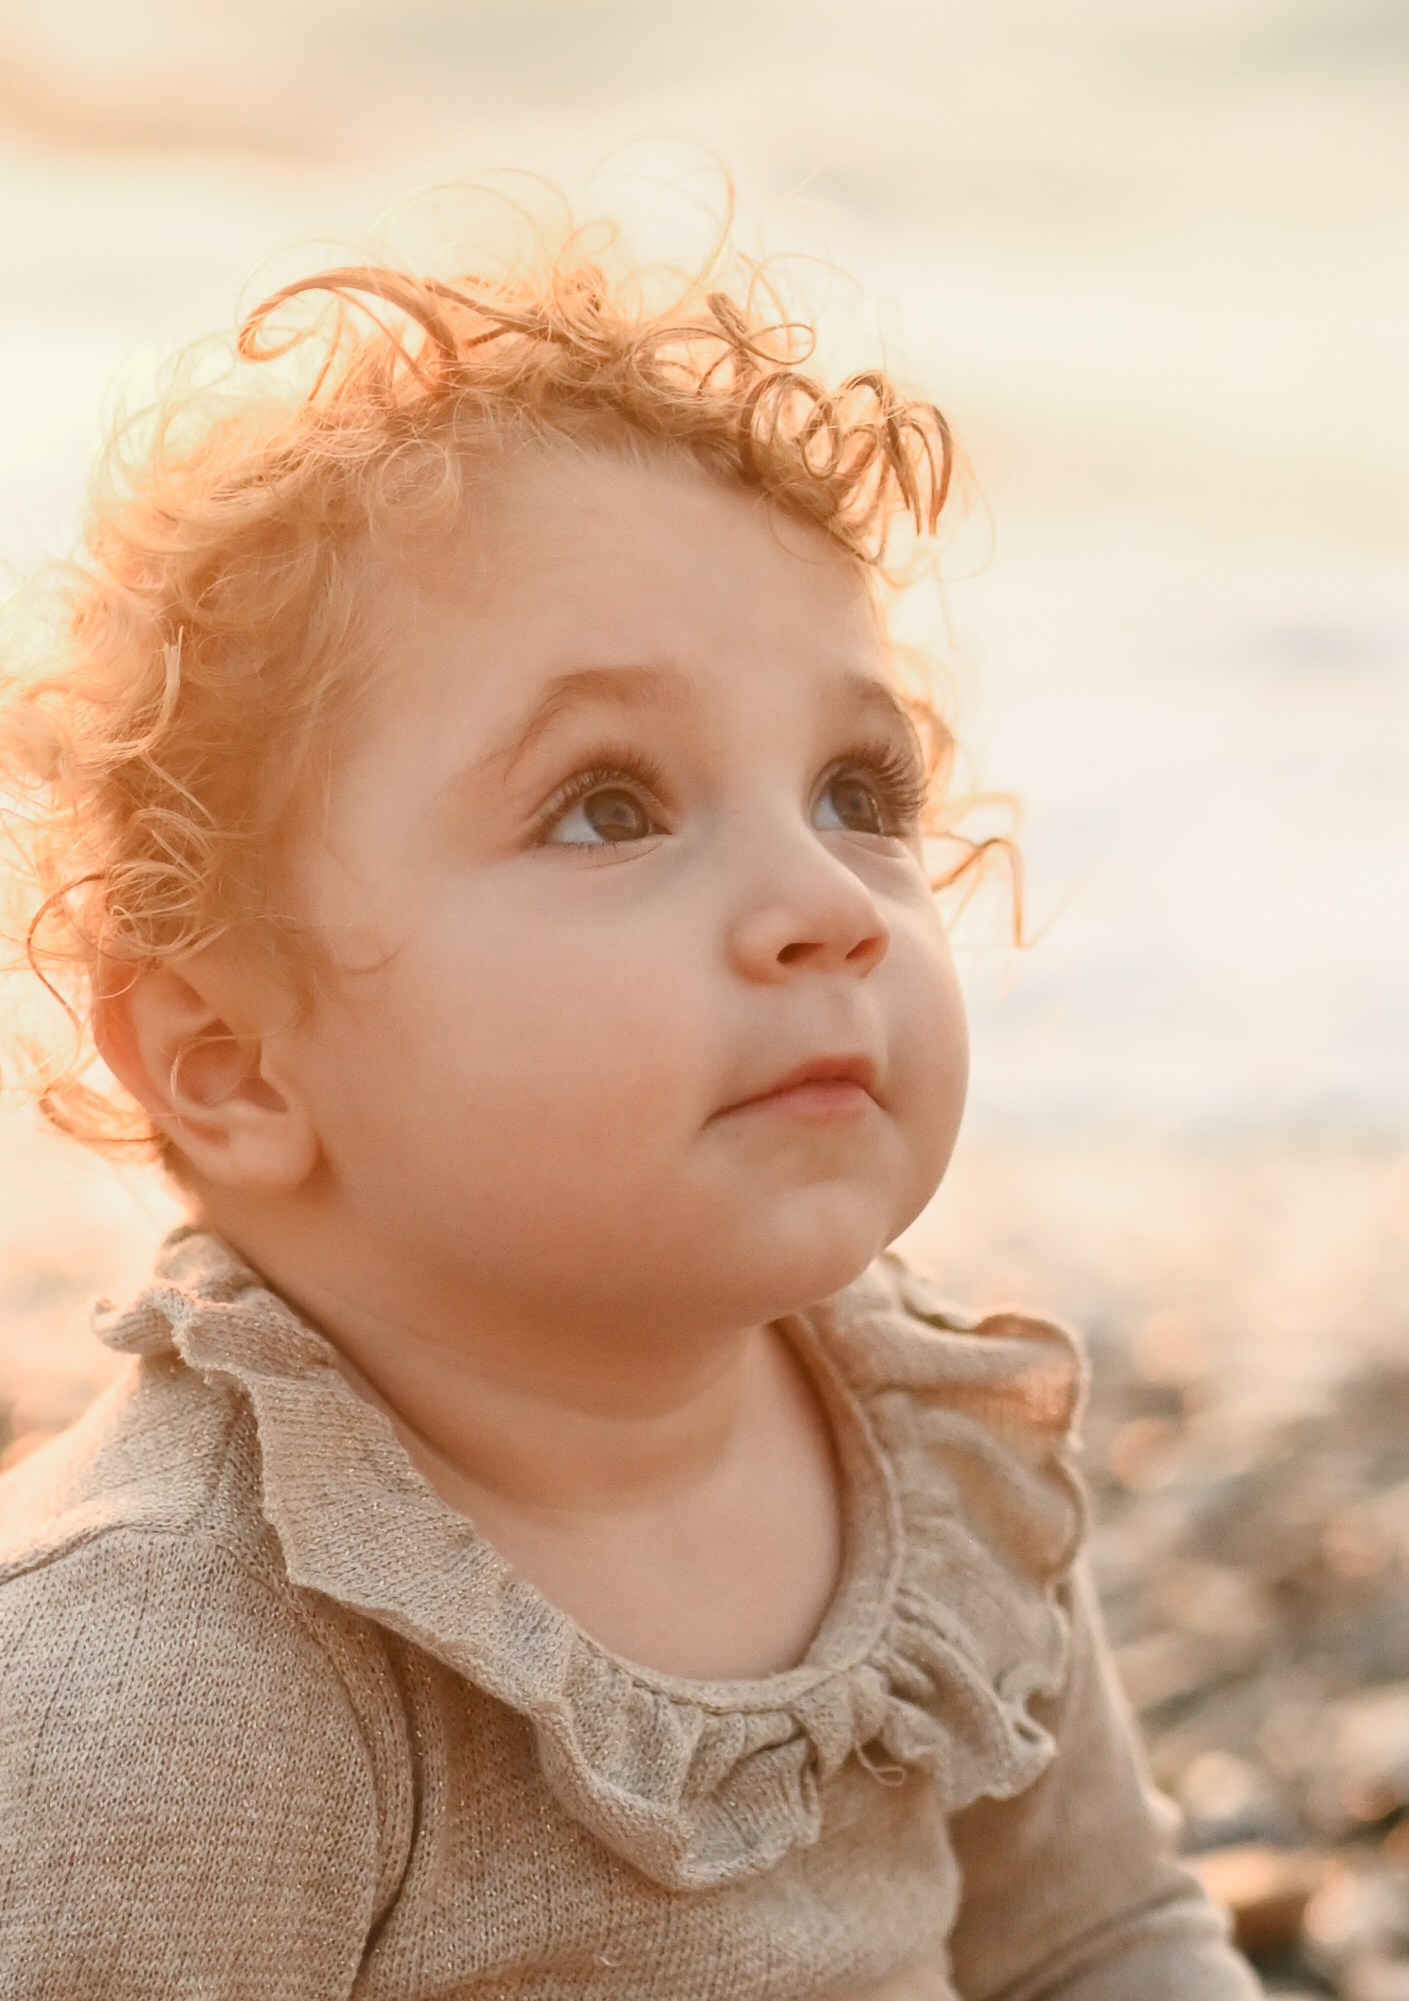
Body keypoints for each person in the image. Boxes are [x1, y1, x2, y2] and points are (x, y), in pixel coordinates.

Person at [0, 207, 1262, 1999]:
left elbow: (1093, 1936)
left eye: (854, 790)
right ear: (234, 1060)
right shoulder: (171, 1671)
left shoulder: (926, 1450)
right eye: (608, 805)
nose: (825, 902)